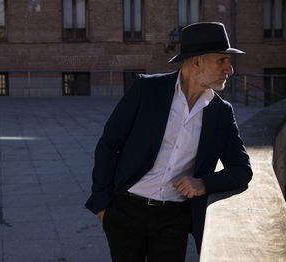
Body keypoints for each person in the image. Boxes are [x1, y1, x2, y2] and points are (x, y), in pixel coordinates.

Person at [85, 22, 253, 262]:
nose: (230, 70)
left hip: (173, 220)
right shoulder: (147, 89)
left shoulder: (221, 112)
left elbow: (242, 170)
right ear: (196, 62)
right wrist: (103, 206)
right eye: (221, 61)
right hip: (124, 211)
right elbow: (109, 144)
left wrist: (203, 183)